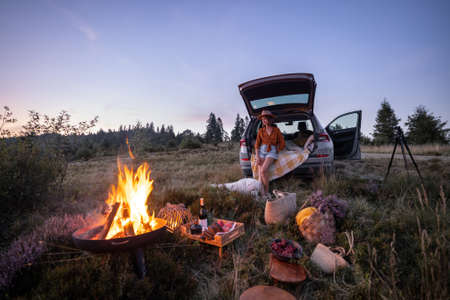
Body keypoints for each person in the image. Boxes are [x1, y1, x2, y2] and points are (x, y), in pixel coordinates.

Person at [254, 110, 286, 195]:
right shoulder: (260, 131)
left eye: (266, 118)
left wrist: (277, 149)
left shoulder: (276, 130)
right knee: (260, 174)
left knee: (263, 170)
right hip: (261, 151)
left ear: (271, 120)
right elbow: (257, 145)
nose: (264, 120)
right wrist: (257, 156)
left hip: (271, 151)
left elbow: (282, 143)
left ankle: (266, 192)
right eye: (263, 119)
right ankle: (261, 193)